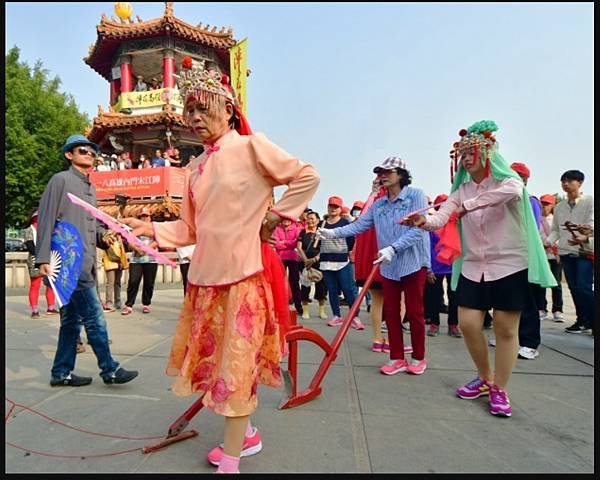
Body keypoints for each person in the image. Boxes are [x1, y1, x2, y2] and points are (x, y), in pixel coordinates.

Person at [121, 59, 319, 474]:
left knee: (235, 368)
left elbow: (306, 176)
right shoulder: (194, 168)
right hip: (205, 281)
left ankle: (230, 461)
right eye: (188, 111)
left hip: (244, 278)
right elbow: (191, 228)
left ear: (228, 109)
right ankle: (245, 436)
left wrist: (277, 215)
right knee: (216, 368)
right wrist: (150, 229)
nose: (193, 118)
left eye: (201, 108)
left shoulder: (251, 147)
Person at [402, 120, 555, 417]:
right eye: (463, 154)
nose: (466, 159)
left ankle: (500, 387)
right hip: (474, 265)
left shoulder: (507, 181)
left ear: (488, 153)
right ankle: (485, 377)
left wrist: (468, 206)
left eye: (472, 152)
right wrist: (424, 221)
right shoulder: (461, 191)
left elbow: (511, 192)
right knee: (470, 324)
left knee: (506, 329)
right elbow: (443, 215)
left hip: (510, 263)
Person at [36, 134, 139, 387]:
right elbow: (46, 218)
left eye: (92, 152)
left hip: (87, 262)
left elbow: (88, 227)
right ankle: (109, 369)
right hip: (69, 265)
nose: (89, 155)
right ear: (69, 155)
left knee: (71, 321)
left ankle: (61, 372)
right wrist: (42, 259)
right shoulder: (60, 180)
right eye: (83, 151)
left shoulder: (91, 188)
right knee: (94, 317)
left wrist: (105, 236)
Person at [319, 157, 430, 375]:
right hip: (388, 264)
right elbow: (360, 225)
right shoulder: (379, 205)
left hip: (412, 261)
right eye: (380, 172)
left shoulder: (415, 195)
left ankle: (418, 357)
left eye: (388, 171)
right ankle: (396, 357)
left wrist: (394, 248)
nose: (383, 176)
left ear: (401, 174)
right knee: (390, 311)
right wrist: (333, 233)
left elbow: (419, 229)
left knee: (415, 311)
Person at [545, 170, 594, 334]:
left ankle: (592, 320)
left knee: (584, 287)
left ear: (580, 183)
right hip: (566, 252)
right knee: (574, 288)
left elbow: (592, 225)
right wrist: (547, 242)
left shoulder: (590, 201)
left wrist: (583, 236)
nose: (565, 184)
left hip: (584, 252)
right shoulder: (559, 207)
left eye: (569, 181)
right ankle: (581, 321)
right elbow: (556, 230)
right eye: (563, 181)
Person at [510, 162, 543, 360]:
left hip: (524, 256)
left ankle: (530, 342)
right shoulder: (506, 198)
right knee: (510, 301)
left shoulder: (529, 200)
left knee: (528, 301)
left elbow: (532, 230)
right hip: (507, 256)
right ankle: (512, 337)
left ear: (524, 179)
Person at [318, 195, 364, 330]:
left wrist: (345, 251)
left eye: (336, 207)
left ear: (340, 209)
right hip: (326, 261)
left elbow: (351, 240)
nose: (333, 209)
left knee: (348, 289)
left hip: (342, 261)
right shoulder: (322, 223)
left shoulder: (345, 223)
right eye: (331, 206)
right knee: (332, 290)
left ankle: (354, 316)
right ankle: (336, 315)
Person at [425, 194, 461, 338]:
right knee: (435, 296)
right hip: (436, 268)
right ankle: (434, 324)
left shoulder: (457, 224)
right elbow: (427, 248)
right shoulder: (433, 226)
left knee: (455, 297)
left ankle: (453, 325)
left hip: (453, 267)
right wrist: (428, 269)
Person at [121, 208, 159, 315]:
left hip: (150, 259)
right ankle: (129, 305)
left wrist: (146, 249)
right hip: (136, 259)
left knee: (149, 282)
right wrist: (137, 249)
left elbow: (158, 240)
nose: (144, 218)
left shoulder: (154, 227)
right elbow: (129, 241)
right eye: (142, 216)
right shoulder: (134, 228)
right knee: (133, 281)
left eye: (146, 216)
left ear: (150, 217)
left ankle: (146, 304)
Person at [23, 208, 58, 318]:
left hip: (48, 258)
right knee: (35, 284)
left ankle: (51, 307)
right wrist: (41, 255)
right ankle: (34, 310)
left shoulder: (46, 230)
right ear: (33, 219)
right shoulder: (28, 230)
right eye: (37, 218)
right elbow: (30, 246)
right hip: (35, 259)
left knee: (51, 284)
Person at [535, 194, 564, 322]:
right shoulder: (536, 219)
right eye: (542, 204)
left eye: (547, 204)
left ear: (553, 205)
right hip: (541, 255)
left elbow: (560, 235)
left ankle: (558, 310)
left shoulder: (556, 220)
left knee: (556, 284)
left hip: (554, 255)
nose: (544, 206)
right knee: (541, 284)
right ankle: (542, 309)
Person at [296, 210, 328, 319]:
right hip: (305, 263)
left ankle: (322, 311)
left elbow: (324, 247)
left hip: (319, 262)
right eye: (308, 219)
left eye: (312, 219)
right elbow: (299, 247)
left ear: (317, 220)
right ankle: (305, 311)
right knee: (305, 286)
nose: (310, 221)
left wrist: (315, 259)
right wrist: (306, 260)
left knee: (321, 287)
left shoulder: (321, 232)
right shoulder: (302, 232)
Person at [273, 218, 303, 315]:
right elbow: (276, 244)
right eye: (284, 219)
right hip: (280, 258)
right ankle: (279, 307)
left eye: (288, 219)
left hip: (293, 258)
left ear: (291, 220)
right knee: (279, 282)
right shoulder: (276, 229)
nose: (286, 221)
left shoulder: (296, 229)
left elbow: (296, 243)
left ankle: (298, 306)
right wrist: (289, 243)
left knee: (294, 282)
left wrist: (283, 242)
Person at [101, 236, 129, 312]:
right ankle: (109, 302)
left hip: (119, 263)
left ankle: (118, 301)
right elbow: (109, 251)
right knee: (110, 283)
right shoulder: (108, 236)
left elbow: (123, 250)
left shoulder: (120, 237)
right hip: (110, 262)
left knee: (117, 283)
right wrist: (119, 261)